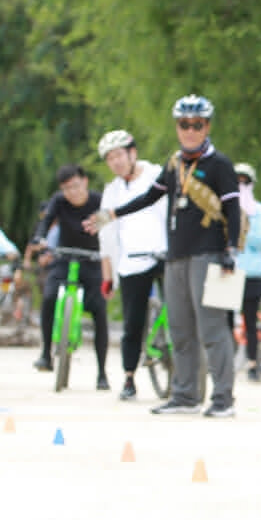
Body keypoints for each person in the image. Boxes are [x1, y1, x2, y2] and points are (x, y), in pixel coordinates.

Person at [86, 95, 244, 418]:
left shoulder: (220, 165)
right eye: (184, 125)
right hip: (176, 256)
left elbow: (233, 210)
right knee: (180, 329)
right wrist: (112, 214)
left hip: (212, 255)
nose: (190, 131)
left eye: (196, 125)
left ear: (207, 126)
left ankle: (223, 398)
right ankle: (185, 395)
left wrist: (231, 251)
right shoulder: (175, 164)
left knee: (213, 329)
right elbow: (149, 197)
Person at [95, 129, 167, 401]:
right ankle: (129, 377)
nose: (115, 162)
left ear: (132, 153)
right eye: (110, 158)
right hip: (132, 261)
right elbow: (106, 235)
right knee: (132, 322)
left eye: (119, 156)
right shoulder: (110, 192)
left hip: (164, 255)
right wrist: (107, 275)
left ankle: (184, 370)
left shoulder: (156, 175)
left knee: (181, 312)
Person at [32, 164, 110, 390]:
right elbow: (45, 222)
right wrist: (40, 238)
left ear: (84, 182)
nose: (72, 192)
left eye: (75, 186)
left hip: (93, 260)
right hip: (64, 258)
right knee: (48, 298)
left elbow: (111, 228)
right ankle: (46, 353)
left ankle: (102, 373)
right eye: (67, 188)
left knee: (100, 311)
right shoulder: (59, 201)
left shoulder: (99, 202)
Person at [233, 162, 261, 381]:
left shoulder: (260, 211)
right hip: (228, 271)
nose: (241, 185)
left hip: (251, 272)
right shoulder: (223, 207)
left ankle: (253, 363)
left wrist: (244, 225)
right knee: (222, 320)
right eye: (237, 181)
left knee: (250, 321)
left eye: (244, 181)